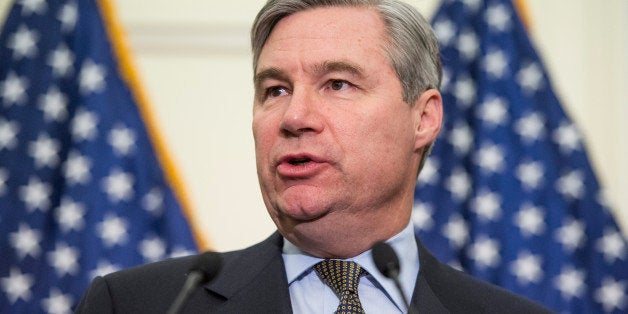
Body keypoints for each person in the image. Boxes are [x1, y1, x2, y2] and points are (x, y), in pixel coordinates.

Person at [76, 0, 551, 313]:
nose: (295, 116)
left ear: (423, 117)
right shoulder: (141, 305)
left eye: (338, 84)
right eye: (275, 89)